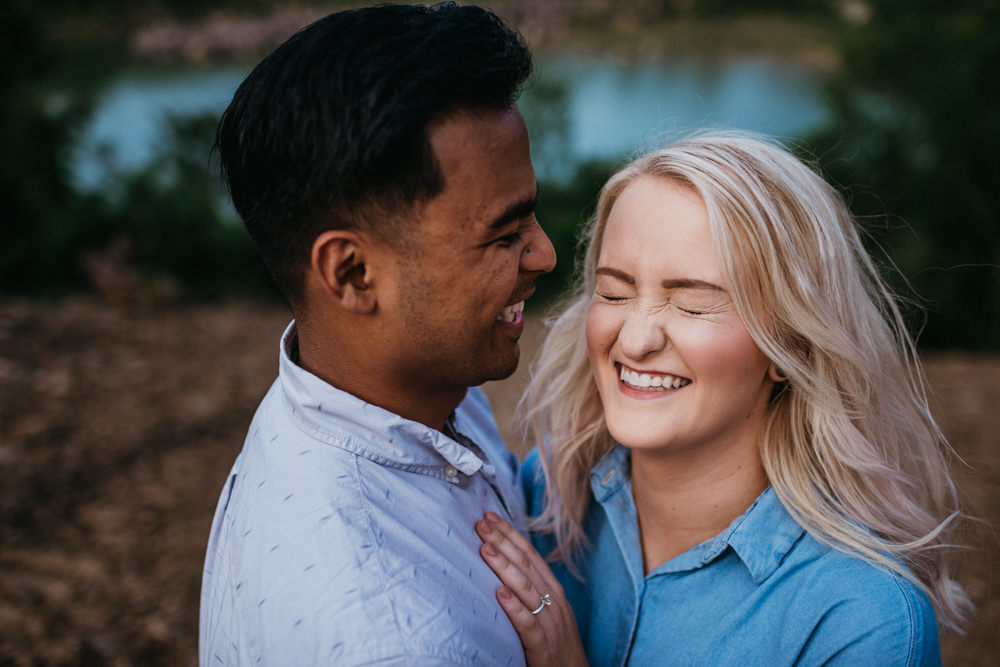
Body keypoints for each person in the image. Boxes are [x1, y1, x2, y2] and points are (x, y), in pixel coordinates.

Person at [474, 131, 970, 666]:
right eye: (615, 292)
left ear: (790, 345)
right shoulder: (545, 491)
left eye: (691, 305)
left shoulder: (864, 622)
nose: (635, 340)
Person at [199, 3, 557, 665]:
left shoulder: (409, 381)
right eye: (505, 235)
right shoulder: (392, 639)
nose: (545, 255)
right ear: (354, 273)